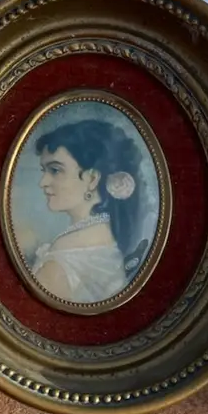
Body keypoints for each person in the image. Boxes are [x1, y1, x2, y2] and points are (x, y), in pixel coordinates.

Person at [29, 118, 145, 305]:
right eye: (44, 170)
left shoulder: (63, 258)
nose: (43, 182)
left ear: (92, 178)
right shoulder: (103, 234)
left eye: (55, 170)